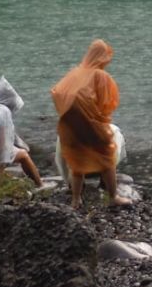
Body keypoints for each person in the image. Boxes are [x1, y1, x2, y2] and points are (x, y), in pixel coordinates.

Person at [51, 38, 131, 211]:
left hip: (71, 126)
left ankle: (76, 200)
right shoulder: (99, 75)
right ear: (101, 57)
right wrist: (95, 113)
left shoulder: (74, 73)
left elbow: (57, 92)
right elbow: (108, 101)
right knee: (107, 160)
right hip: (92, 124)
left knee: (76, 163)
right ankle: (113, 197)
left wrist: (70, 112)